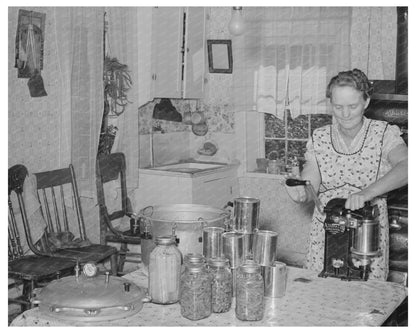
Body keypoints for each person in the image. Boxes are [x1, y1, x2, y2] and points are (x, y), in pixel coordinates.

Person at [285, 68, 408, 281]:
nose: (345, 113)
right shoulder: (320, 137)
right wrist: (301, 191)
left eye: (353, 106)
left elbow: (407, 166)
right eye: (338, 106)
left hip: (368, 234)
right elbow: (311, 179)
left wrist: (366, 193)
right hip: (326, 231)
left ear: (366, 101)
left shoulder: (384, 133)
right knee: (322, 294)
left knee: (366, 300)